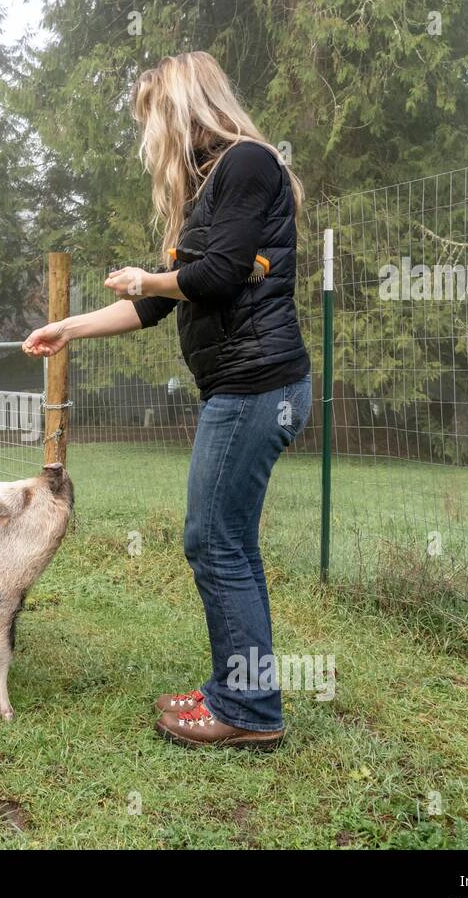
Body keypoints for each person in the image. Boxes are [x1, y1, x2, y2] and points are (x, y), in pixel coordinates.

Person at [22, 51, 312, 750]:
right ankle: (238, 691)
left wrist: (151, 280)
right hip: (245, 386)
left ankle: (248, 711)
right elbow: (155, 306)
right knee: (226, 542)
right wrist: (70, 328)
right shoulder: (211, 186)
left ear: (182, 108)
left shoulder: (247, 163)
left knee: (213, 541)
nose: (148, 136)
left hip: (255, 386)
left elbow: (215, 277)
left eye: (151, 118)